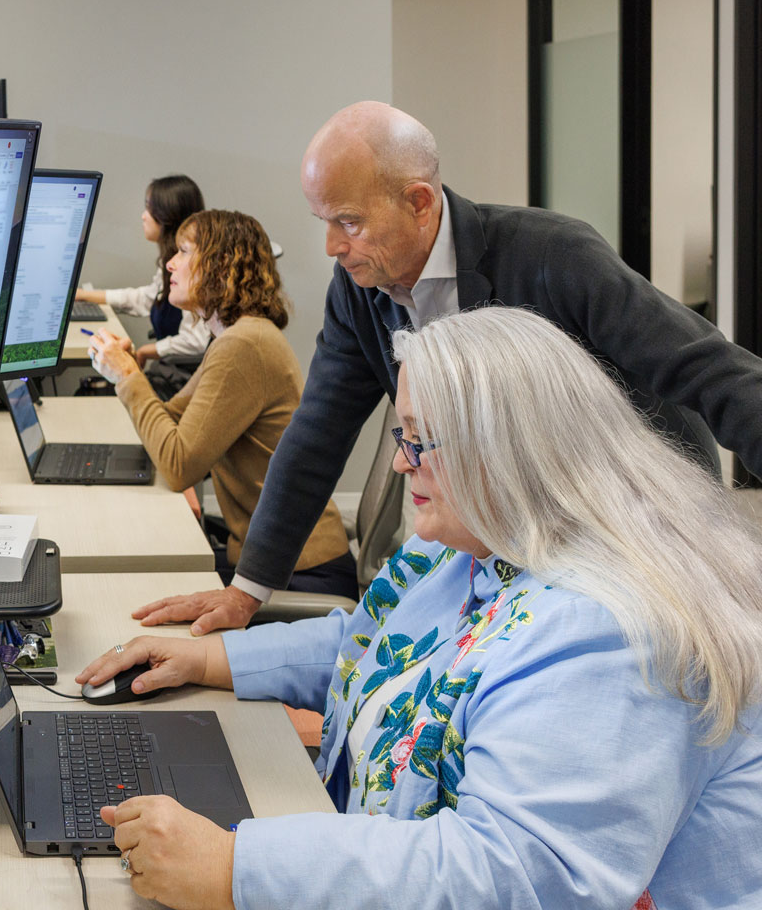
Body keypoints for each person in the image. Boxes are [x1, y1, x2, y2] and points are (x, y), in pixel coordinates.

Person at [74, 307, 762, 910]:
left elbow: (516, 878)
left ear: (507, 450)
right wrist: (212, 654)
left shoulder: (608, 629)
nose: (402, 464)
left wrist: (239, 870)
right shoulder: (492, 538)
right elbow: (388, 644)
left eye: (419, 440)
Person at [138, 100, 762, 635]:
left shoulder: (552, 254)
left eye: (348, 222)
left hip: (624, 525)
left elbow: (708, 369)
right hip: (507, 534)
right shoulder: (361, 285)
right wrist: (248, 591)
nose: (331, 246)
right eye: (324, 222)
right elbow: (318, 431)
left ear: (418, 202)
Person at [86, 210, 353, 598]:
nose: (170, 263)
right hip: (276, 560)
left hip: (300, 574)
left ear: (220, 265)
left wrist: (128, 375)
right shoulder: (236, 336)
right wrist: (130, 374)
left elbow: (179, 466)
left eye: (183, 252)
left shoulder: (243, 345)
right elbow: (172, 419)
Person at [74, 174, 210, 399]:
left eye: (149, 209)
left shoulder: (191, 271)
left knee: (88, 394)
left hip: (180, 382)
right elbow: (145, 298)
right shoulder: (171, 261)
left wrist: (148, 351)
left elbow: (194, 341)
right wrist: (86, 295)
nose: (143, 216)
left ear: (167, 216)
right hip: (169, 374)